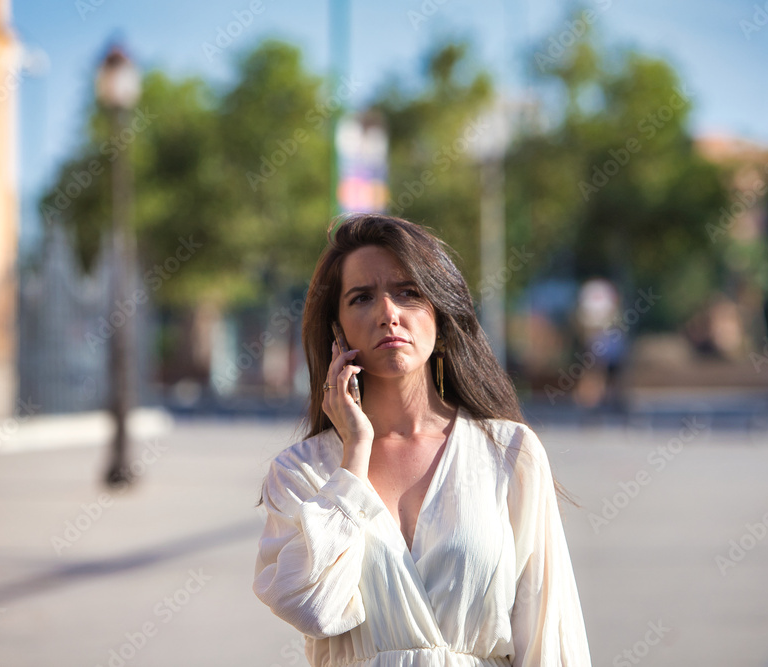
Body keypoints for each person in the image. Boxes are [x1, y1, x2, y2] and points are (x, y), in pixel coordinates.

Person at [252, 214, 591, 667]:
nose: (388, 313)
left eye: (409, 292)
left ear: (441, 312)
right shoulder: (302, 473)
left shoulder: (509, 452)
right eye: (361, 298)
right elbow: (314, 607)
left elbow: (550, 636)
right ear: (338, 329)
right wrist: (354, 456)